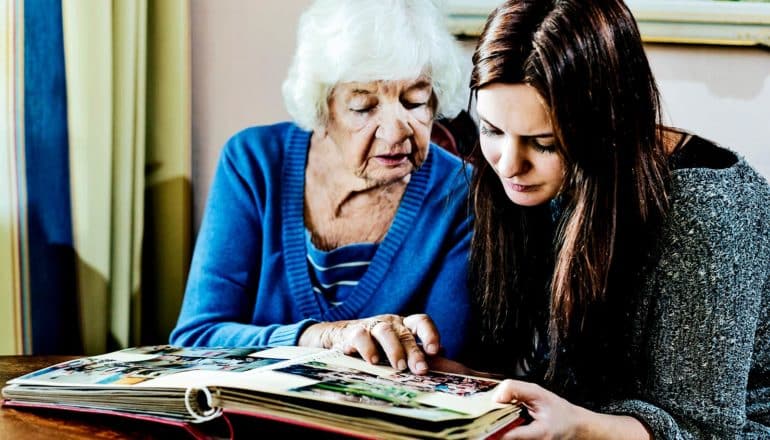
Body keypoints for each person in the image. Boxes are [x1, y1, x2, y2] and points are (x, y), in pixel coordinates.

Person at [458, 0, 770, 438]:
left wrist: (579, 427)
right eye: (492, 130)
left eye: (544, 143)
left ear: (605, 123)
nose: (509, 164)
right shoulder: (522, 183)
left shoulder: (710, 209)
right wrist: (439, 374)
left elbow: (707, 430)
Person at [170, 0, 472, 375]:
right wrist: (322, 336)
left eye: (415, 102)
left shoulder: (460, 193)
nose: (396, 132)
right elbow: (196, 339)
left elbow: (442, 365)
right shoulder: (254, 164)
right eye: (363, 107)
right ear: (322, 109)